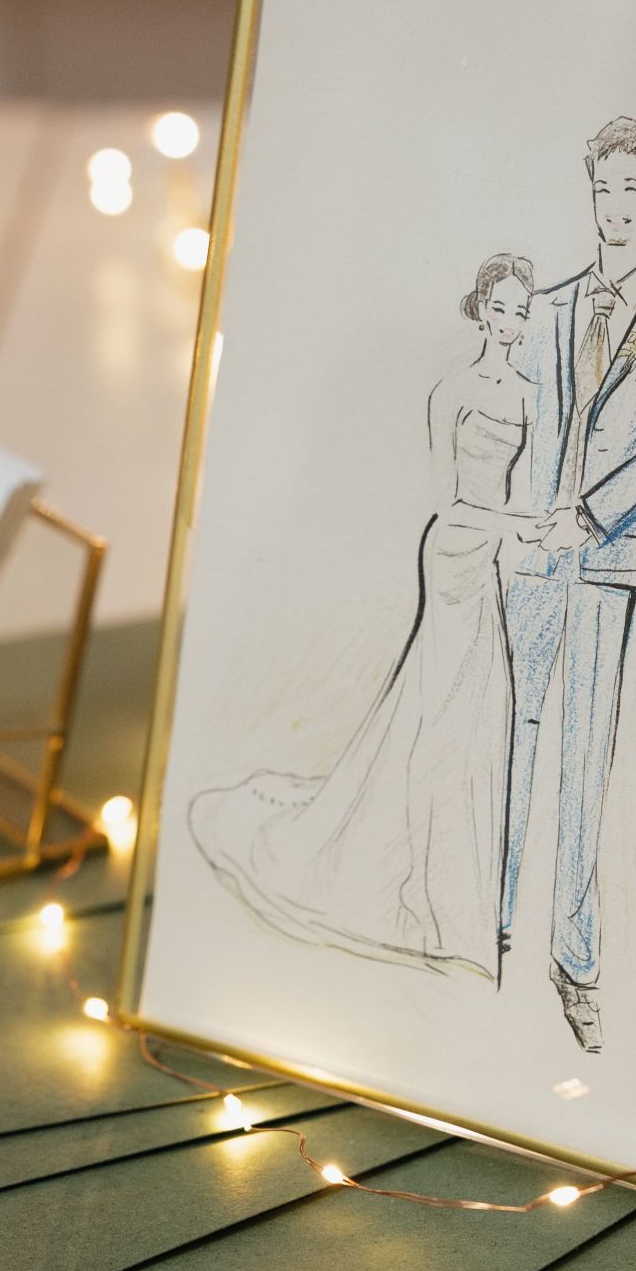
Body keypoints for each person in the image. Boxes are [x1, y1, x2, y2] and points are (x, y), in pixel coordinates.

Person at [186, 256, 538, 978]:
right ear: (481, 310)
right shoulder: (453, 390)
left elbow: (524, 487)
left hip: (491, 562)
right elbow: (447, 499)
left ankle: (456, 898)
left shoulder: (531, 396)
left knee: (477, 714)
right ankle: (404, 879)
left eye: (521, 311)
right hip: (451, 557)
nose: (510, 323)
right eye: (500, 308)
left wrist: (524, 529)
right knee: (435, 708)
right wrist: (513, 524)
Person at [501, 116, 636, 1053]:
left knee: (583, 761)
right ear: (589, 194)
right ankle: (490, 923)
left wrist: (587, 517)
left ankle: (575, 963)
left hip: (605, 564)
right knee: (507, 737)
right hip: (529, 558)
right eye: (604, 189)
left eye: (632, 190)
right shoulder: (547, 308)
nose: (616, 206)